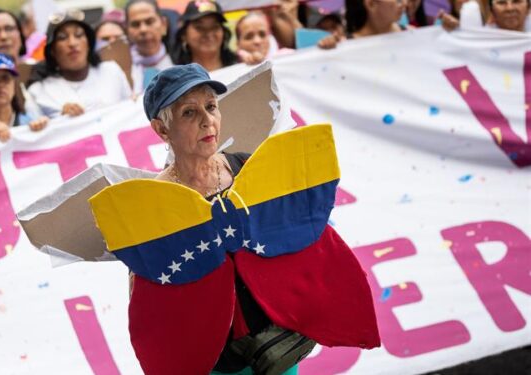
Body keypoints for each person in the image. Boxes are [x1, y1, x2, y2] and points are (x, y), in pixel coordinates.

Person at [84, 63, 380, 375]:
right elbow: (148, 293)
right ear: (161, 129)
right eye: (189, 113)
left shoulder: (248, 170)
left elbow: (303, 241)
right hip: (215, 359)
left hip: (275, 345)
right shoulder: (153, 204)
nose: (207, 121)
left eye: (211, 107)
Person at [29, 10, 132, 117]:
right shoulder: (39, 92)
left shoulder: (111, 72)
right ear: (52, 50)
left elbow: (129, 114)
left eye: (78, 35)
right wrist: (62, 119)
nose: (72, 43)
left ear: (89, 44)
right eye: (62, 37)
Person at [171, 0, 237, 72]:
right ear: (184, 35)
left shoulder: (239, 68)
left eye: (215, 26)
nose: (208, 34)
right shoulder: (178, 78)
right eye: (199, 27)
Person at [124, 0, 174, 93]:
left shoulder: (181, 61)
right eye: (135, 24)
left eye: (149, 22)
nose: (143, 29)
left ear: (163, 24)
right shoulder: (121, 71)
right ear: (127, 30)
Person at [317, 0, 406, 49]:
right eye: (398, 0)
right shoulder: (344, 46)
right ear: (371, 4)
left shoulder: (412, 33)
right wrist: (328, 50)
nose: (404, 3)